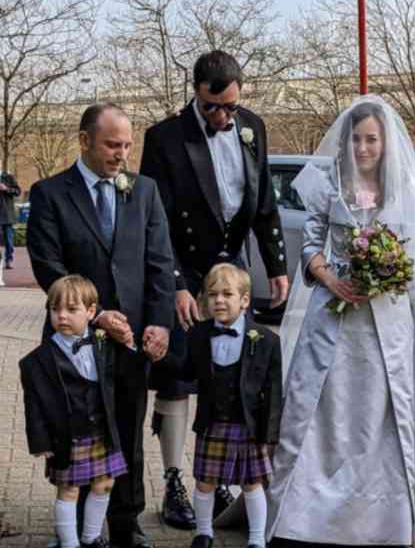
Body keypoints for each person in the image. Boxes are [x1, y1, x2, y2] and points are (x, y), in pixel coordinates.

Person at [267, 95, 415, 545]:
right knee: (322, 409)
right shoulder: (327, 185)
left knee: (379, 412)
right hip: (332, 316)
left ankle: (380, 516)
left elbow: (413, 257)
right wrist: (330, 279)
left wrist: (386, 274)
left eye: (371, 139)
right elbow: (311, 243)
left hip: (386, 322)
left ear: (385, 142)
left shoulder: (403, 191)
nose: (362, 148)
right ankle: (305, 511)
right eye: (356, 139)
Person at [140, 50, 289, 529]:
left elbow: (263, 202)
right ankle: (174, 481)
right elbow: (156, 218)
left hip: (232, 273)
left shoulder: (252, 127)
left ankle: (220, 475)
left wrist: (276, 265)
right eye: (214, 108)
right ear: (197, 92)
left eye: (231, 106)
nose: (225, 117)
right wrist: (178, 287)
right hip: (183, 270)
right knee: (179, 377)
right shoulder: (164, 138)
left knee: (228, 374)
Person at [27, 103, 176, 548]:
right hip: (74, 341)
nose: (122, 154)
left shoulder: (144, 191)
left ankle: (126, 525)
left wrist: (161, 325)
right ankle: (71, 531)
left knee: (127, 429)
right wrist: (95, 315)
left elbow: (160, 261)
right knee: (76, 432)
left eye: (128, 144)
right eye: (113, 144)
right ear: (85, 140)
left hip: (131, 340)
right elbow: (46, 265)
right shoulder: (50, 193)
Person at [154, 263, 282, 548]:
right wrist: (160, 357)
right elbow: (186, 372)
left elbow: (274, 393)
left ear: (244, 300)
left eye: (227, 294)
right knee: (204, 481)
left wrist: (270, 434)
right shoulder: (198, 334)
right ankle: (203, 533)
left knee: (252, 484)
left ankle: (257, 539)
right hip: (213, 422)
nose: (219, 300)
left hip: (249, 426)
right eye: (212, 295)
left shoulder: (267, 340)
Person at [20, 275, 130, 548]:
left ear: (91, 312)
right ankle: (69, 544)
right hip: (67, 435)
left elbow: (123, 379)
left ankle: (91, 537)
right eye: (55, 310)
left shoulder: (104, 345)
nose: (62, 316)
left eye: (71, 310)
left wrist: (133, 344)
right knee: (68, 490)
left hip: (101, 432)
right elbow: (33, 406)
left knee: (104, 483)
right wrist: (40, 442)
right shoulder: (37, 361)